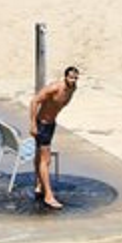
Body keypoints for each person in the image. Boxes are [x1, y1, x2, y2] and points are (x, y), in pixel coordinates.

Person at [29, 66, 80, 211]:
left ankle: (39, 185)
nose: (73, 80)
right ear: (65, 77)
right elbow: (34, 101)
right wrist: (33, 124)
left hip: (51, 124)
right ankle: (48, 196)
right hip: (42, 125)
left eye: (75, 78)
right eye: (70, 77)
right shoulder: (54, 88)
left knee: (39, 156)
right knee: (46, 160)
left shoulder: (73, 88)